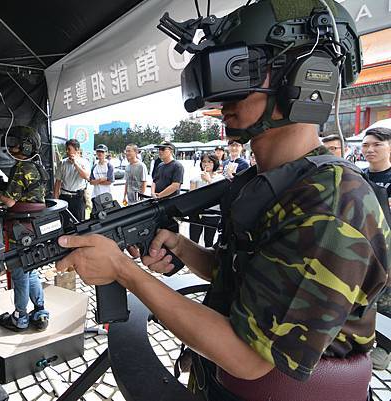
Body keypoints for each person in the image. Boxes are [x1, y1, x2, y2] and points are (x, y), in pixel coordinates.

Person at [55, 2, 389, 400]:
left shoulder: (333, 202)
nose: (220, 98)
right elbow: (244, 279)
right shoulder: (269, 180)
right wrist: (183, 246)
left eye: (240, 71)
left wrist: (124, 271)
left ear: (303, 77)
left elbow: (247, 358)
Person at [0, 126, 50, 332]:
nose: (11, 145)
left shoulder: (22, 168)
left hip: (19, 229)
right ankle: (40, 312)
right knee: (31, 271)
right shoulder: (36, 166)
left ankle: (20, 317)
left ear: (26, 145)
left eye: (15, 141)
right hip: (33, 228)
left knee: (19, 273)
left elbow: (9, 201)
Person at [361, 127, 391, 371]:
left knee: (388, 302)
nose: (369, 149)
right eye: (366, 145)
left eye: (377, 145)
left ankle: (384, 348)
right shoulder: (359, 178)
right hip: (364, 248)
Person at [189, 153, 224, 248]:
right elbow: (191, 197)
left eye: (209, 161)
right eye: (204, 161)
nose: (206, 164)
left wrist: (209, 180)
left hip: (212, 214)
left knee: (209, 241)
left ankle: (208, 261)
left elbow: (219, 196)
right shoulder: (195, 179)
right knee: (193, 240)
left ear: (215, 163)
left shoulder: (220, 179)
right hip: (197, 214)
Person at [53, 139, 90, 222]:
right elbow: (57, 182)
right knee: (64, 222)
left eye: (69, 149)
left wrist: (75, 164)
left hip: (78, 198)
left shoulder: (84, 162)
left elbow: (86, 177)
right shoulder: (62, 163)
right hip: (64, 197)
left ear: (77, 149)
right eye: (66, 149)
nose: (67, 151)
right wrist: (56, 200)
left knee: (79, 223)